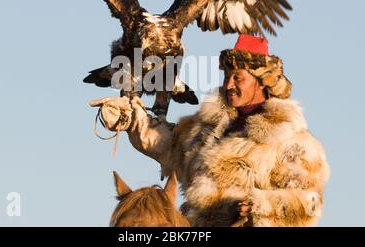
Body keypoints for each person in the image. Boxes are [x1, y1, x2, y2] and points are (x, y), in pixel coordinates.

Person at [91, 34, 330, 227]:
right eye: (226, 76)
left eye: (238, 78)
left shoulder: (292, 141)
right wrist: (132, 118)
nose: (228, 85)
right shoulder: (204, 129)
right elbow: (167, 146)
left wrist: (260, 206)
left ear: (261, 81)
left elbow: (310, 203)